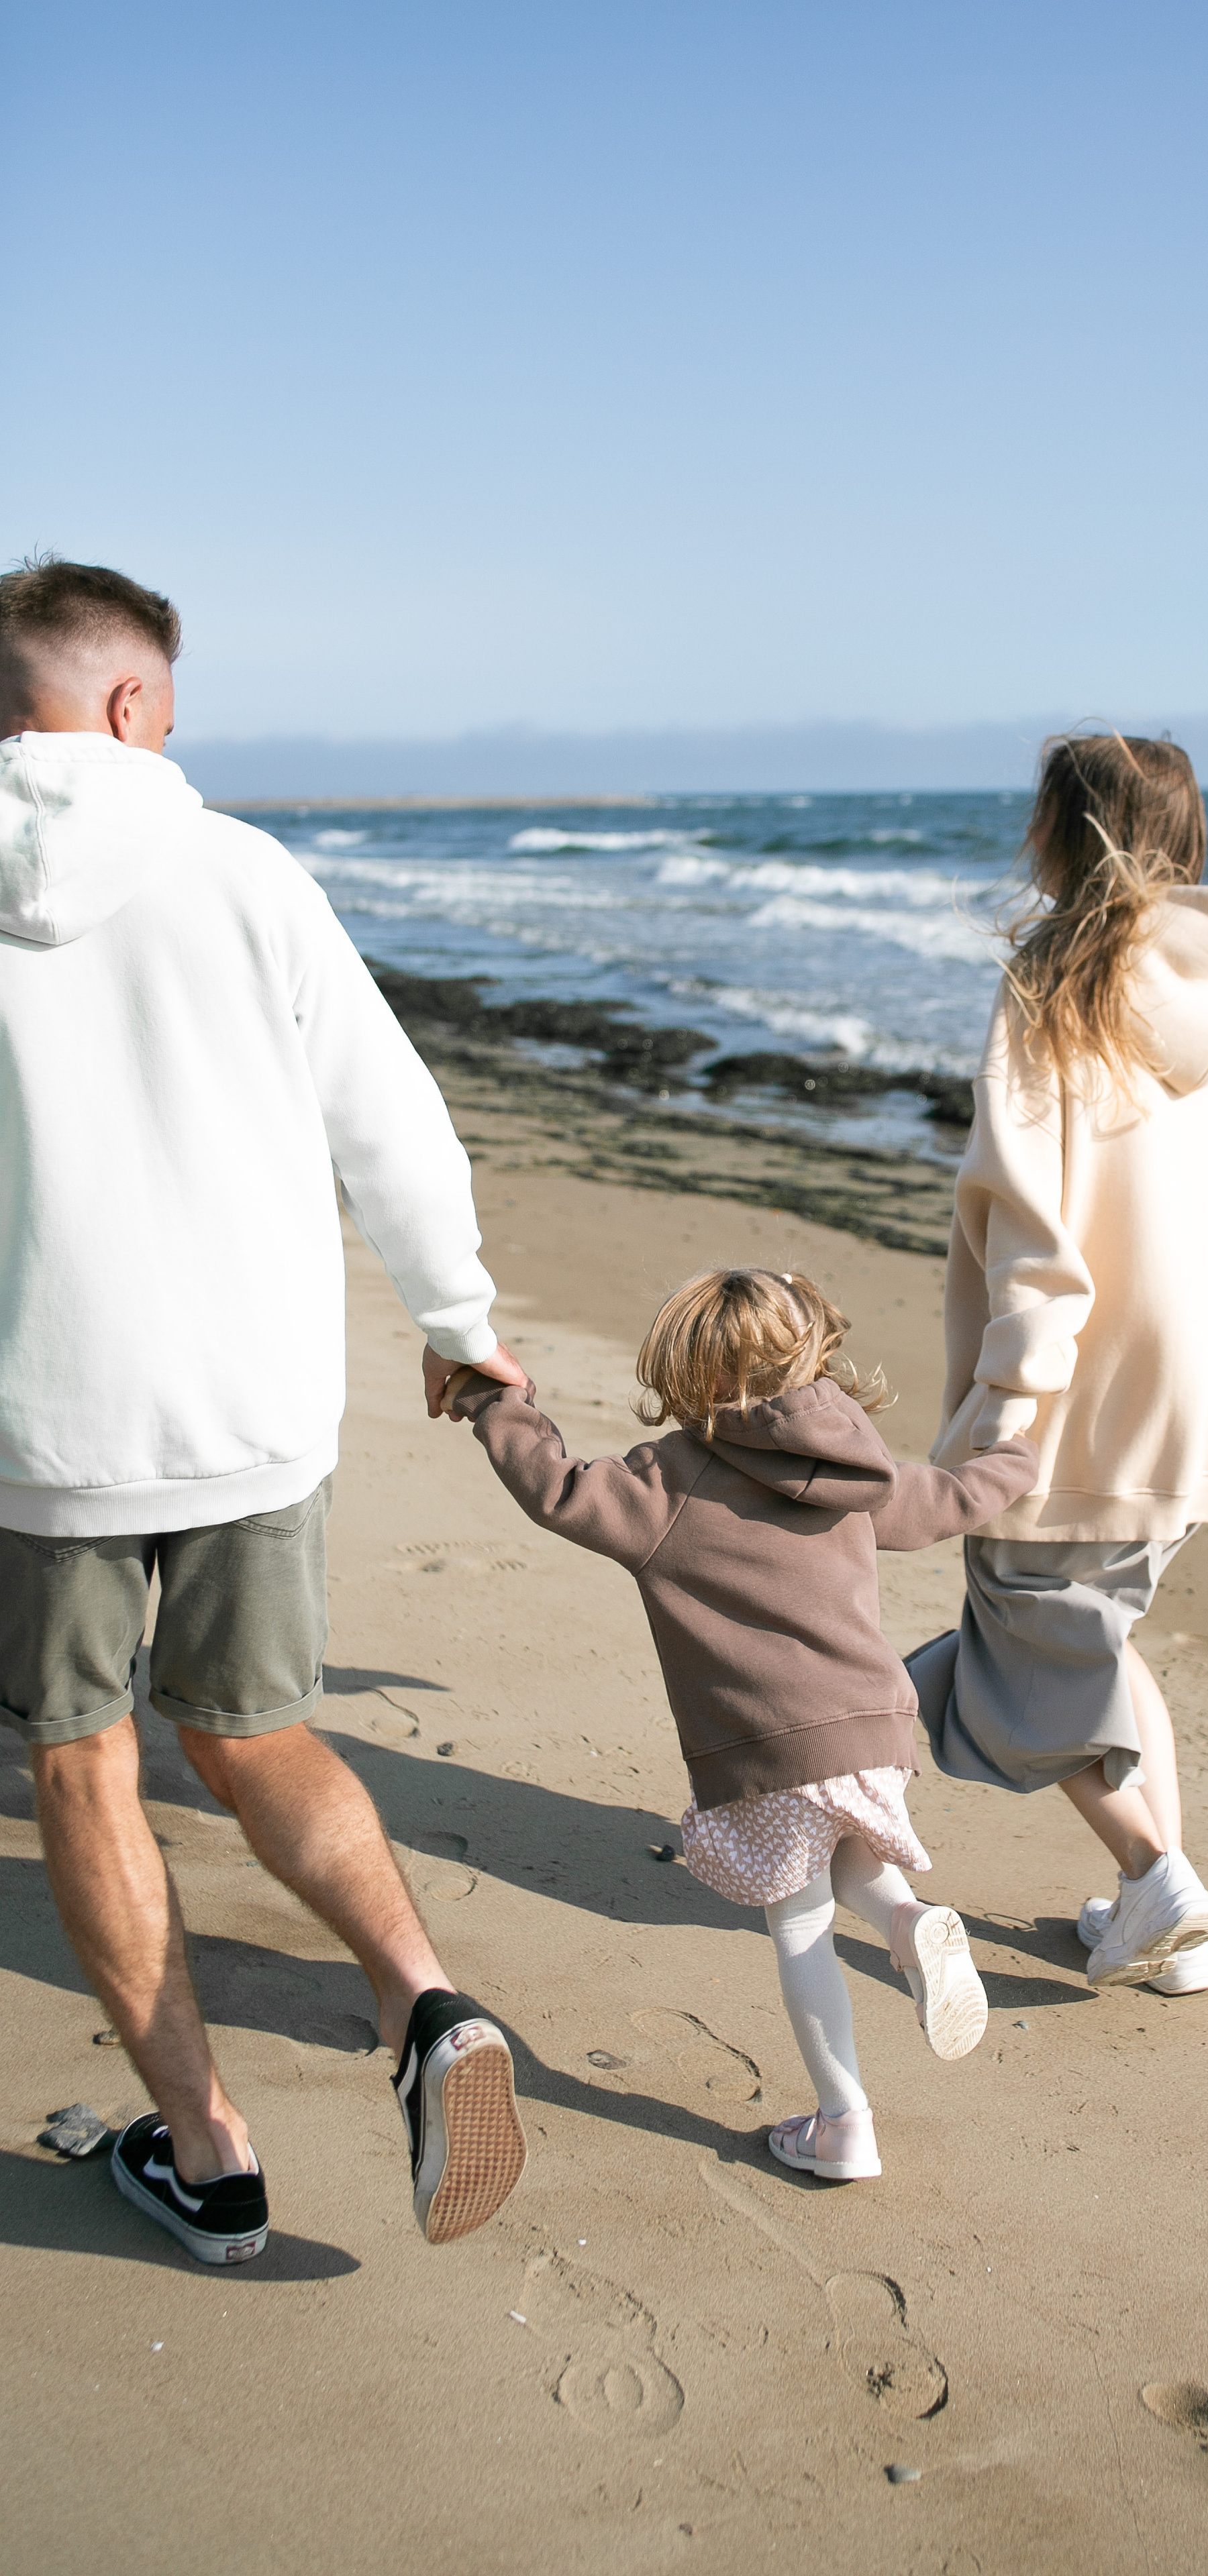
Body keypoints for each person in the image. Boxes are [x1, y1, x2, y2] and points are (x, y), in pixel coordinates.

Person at [0, 556, 530, 2263]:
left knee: (85, 1762)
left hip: (40, 1429)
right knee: (254, 1732)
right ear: (131, 702)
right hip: (250, 1406)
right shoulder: (244, 871)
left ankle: (210, 2151)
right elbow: (393, 1122)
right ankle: (425, 1999)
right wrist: (458, 1325)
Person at [438, 1265, 1036, 2181]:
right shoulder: (854, 1461)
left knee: (800, 1930)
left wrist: (491, 1398)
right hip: (874, 1729)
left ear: (692, 1375)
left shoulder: (669, 1481)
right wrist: (1019, 1459)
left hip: (770, 1747)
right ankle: (910, 1921)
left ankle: (845, 2124)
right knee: (851, 1859)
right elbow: (946, 1503)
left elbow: (553, 1486)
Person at [908, 733, 1208, 1994]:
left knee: (1020, 1647)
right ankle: (1161, 1932)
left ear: (1062, 833)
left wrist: (1012, 1393)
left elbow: (1028, 1206)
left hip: (1088, 1371)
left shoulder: (1053, 977)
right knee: (1101, 1641)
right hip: (1205, 1366)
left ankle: (1154, 1875)